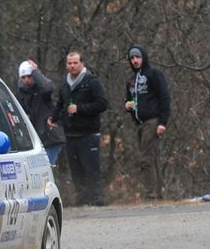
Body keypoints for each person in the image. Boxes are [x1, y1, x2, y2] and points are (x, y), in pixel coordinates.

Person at [48, 51, 109, 206]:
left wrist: (80, 109)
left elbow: (102, 103)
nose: (72, 66)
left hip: (89, 133)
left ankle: (97, 199)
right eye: (69, 63)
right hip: (71, 133)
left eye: (75, 63)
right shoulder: (65, 84)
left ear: (82, 63)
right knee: (76, 170)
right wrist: (53, 118)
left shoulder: (91, 81)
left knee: (91, 168)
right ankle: (82, 199)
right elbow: (60, 104)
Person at [123, 44, 171, 200]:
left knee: (145, 159)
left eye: (137, 57)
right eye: (132, 58)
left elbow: (164, 97)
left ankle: (150, 195)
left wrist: (162, 122)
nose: (135, 60)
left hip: (153, 120)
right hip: (139, 123)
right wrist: (128, 106)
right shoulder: (131, 80)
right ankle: (158, 194)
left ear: (143, 58)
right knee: (152, 158)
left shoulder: (154, 74)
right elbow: (130, 100)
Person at [16, 59, 66, 165]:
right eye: (23, 77)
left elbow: (47, 88)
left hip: (51, 136)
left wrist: (35, 71)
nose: (27, 80)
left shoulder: (43, 90)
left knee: (47, 166)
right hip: (38, 139)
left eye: (29, 76)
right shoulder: (23, 94)